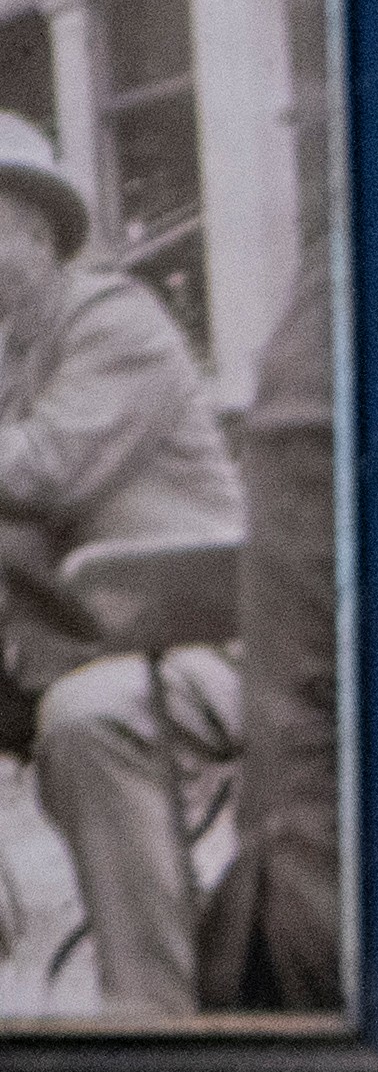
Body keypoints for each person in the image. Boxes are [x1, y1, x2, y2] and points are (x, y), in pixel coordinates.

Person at [0, 107, 243, 1010]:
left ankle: (157, 1022)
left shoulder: (114, 323)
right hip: (68, 645)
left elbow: (45, 469)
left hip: (196, 647)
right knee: (78, 704)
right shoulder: (8, 349)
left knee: (89, 719)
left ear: (29, 231)